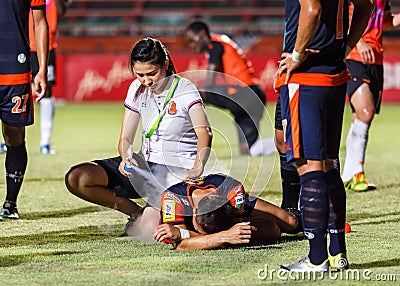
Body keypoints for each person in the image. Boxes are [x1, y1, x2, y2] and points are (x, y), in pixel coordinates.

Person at [65, 37, 212, 237]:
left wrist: (198, 165)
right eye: (140, 74)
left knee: (149, 231)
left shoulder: (185, 90)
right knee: (77, 178)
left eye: (152, 73)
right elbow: (126, 138)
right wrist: (125, 157)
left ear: (165, 64)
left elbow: (205, 132)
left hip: (174, 173)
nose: (146, 81)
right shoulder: (136, 88)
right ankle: (135, 213)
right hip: (144, 166)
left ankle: (152, 217)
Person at [274, 0, 374, 272]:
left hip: (307, 76)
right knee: (328, 163)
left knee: (309, 165)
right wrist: (348, 46)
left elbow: (312, 8)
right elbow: (366, 5)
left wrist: (296, 55)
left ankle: (316, 258)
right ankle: (336, 252)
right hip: (334, 72)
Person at [185, 21, 275, 157]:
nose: (192, 45)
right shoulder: (221, 42)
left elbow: (210, 81)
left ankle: (187, 135)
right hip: (253, 95)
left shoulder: (215, 45)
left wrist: (202, 99)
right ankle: (280, 143)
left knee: (198, 93)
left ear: (202, 34)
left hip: (245, 94)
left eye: (192, 41)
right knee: (247, 151)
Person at [153, 173, 302, 250]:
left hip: (232, 211)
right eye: (203, 231)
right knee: (273, 231)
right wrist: (224, 237)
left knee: (290, 221)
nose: (207, 235)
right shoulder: (173, 199)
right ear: (193, 210)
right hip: (188, 223)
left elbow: (272, 229)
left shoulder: (233, 195)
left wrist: (228, 231)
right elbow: (180, 245)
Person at [341, 1, 400, 191]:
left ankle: (349, 174)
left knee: (361, 116)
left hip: (376, 58)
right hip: (354, 55)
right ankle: (357, 172)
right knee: (366, 111)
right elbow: (340, 18)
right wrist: (359, 41)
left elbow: (386, 22)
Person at [0, 0, 49, 220]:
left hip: (16, 70)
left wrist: (41, 69)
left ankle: (10, 204)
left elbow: (40, 22)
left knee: (15, 137)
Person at [30, 0, 70, 155]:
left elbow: (61, 11)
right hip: (21, 43)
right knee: (14, 89)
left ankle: (45, 141)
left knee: (46, 91)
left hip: (46, 46)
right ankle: (7, 141)